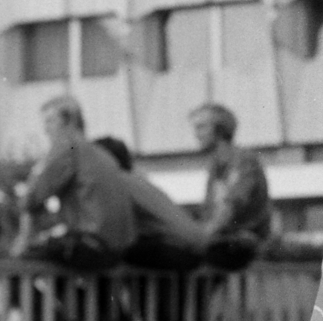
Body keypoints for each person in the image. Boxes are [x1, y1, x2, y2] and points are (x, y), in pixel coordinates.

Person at [15, 96, 136, 270]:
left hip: (91, 243)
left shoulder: (68, 146)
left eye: (50, 121)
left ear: (69, 121)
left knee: (20, 264)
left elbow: (33, 196)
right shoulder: (102, 154)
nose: (45, 129)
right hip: (117, 249)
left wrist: (35, 175)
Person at [93, 136, 208, 271]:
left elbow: (113, 227)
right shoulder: (137, 181)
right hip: (195, 249)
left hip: (176, 249)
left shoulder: (115, 183)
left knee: (110, 251)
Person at [187, 104, 270, 269]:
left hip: (242, 244)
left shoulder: (243, 161)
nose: (196, 134)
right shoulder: (216, 167)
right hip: (224, 241)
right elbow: (210, 213)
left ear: (220, 130)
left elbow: (231, 205)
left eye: (201, 127)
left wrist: (200, 236)